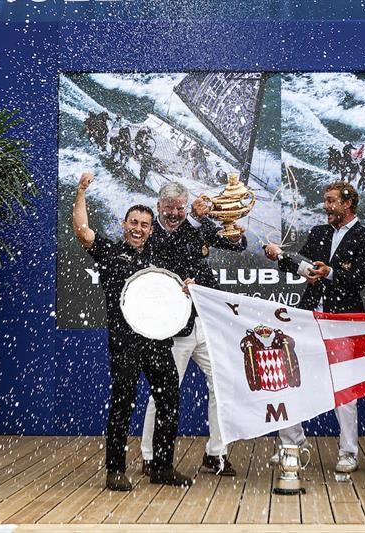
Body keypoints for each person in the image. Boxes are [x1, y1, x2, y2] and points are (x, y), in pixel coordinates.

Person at [72, 172, 192, 491]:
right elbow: (82, 231)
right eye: (133, 223)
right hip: (125, 343)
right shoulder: (110, 253)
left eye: (144, 224)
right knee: (123, 404)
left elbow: (177, 291)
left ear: (151, 229)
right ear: (125, 225)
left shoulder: (160, 258)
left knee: (169, 400)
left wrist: (186, 289)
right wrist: (81, 190)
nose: (138, 229)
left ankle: (162, 468)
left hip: (158, 342)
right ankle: (115, 471)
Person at [264, 181, 365, 473]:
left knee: (343, 389)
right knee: (290, 379)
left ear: (348, 203)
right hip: (309, 320)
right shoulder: (318, 232)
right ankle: (293, 444)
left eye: (330, 201)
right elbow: (301, 265)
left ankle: (348, 452)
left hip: (342, 323)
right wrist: (280, 256)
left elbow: (357, 281)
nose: (325, 206)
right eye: (325, 201)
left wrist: (329, 273)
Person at [140, 181, 247, 477]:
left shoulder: (197, 225)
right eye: (169, 208)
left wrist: (234, 231)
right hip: (173, 326)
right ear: (159, 206)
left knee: (222, 387)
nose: (174, 213)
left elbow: (235, 245)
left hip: (207, 321)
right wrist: (177, 287)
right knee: (162, 392)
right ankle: (149, 456)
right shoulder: (150, 232)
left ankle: (216, 454)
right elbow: (156, 267)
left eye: (180, 208)